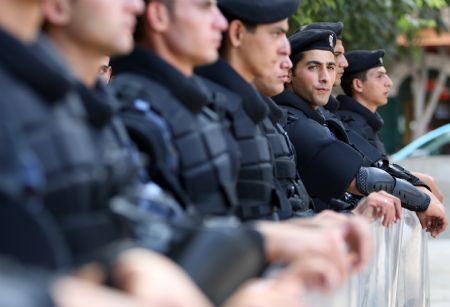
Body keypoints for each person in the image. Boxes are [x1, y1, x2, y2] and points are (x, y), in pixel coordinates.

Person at [273, 29, 447, 237]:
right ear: (290, 73)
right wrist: (423, 200)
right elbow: (361, 177)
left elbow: (372, 163)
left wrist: (417, 184)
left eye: (330, 67)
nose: (325, 77)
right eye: (313, 67)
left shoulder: (320, 117)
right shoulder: (294, 121)